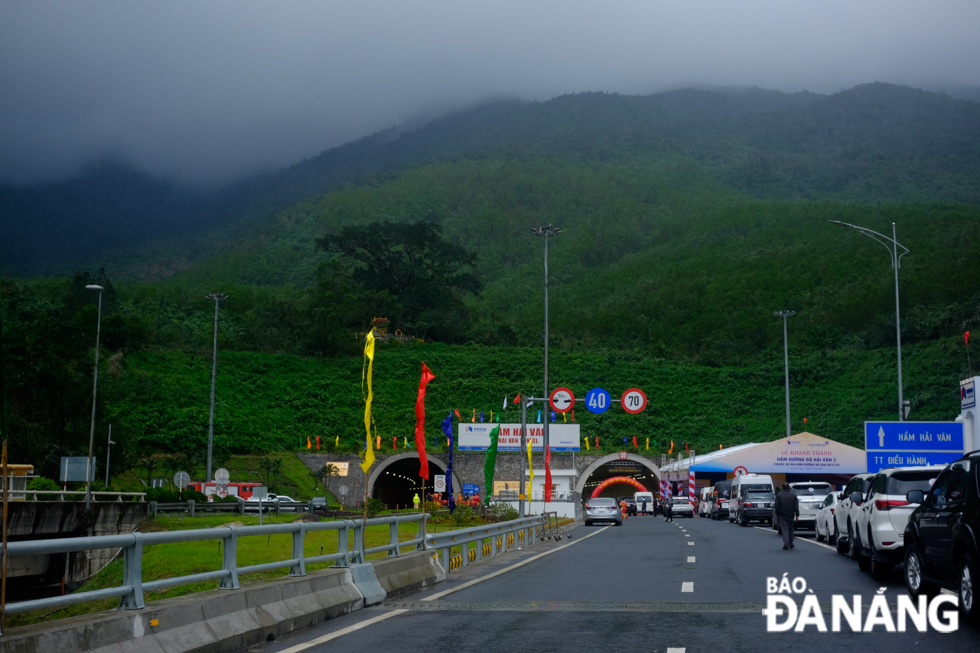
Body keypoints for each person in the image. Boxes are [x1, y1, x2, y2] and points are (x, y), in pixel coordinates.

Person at [773, 482, 799, 549]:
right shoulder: (793, 495)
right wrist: (797, 515)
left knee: (785, 529)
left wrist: (778, 514)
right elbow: (796, 507)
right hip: (791, 514)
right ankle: (791, 542)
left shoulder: (779, 495)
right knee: (791, 528)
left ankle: (786, 543)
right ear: (789, 487)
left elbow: (777, 506)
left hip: (782, 514)